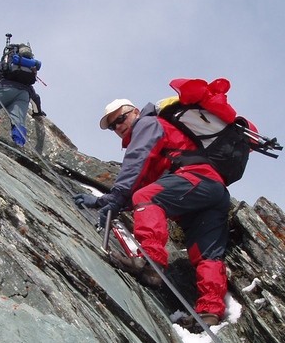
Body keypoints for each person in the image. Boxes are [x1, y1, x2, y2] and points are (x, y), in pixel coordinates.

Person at [74, 92, 235, 330]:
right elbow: (144, 191)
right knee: (206, 253)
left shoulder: (147, 124)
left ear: (136, 111)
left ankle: (150, 263)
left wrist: (116, 196)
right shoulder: (155, 134)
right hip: (211, 193)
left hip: (196, 181)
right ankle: (210, 312)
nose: (118, 126)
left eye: (121, 118)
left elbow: (136, 162)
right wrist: (103, 203)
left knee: (145, 197)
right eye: (113, 126)